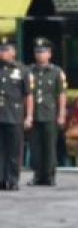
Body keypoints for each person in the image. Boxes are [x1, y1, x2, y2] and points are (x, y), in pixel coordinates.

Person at [26, 36, 67, 186]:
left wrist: (62, 114)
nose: (40, 55)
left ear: (49, 54)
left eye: (43, 52)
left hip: (50, 113)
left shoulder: (56, 72)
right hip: (34, 113)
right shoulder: (29, 71)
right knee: (35, 147)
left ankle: (49, 176)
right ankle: (38, 175)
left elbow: (61, 94)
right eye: (37, 52)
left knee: (49, 147)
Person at [0, 35, 31, 190]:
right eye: (1, 49)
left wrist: (29, 115)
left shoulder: (22, 70)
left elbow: (28, 95)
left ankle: (12, 179)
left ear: (14, 52)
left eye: (6, 50)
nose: (2, 53)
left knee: (14, 150)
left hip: (14, 115)